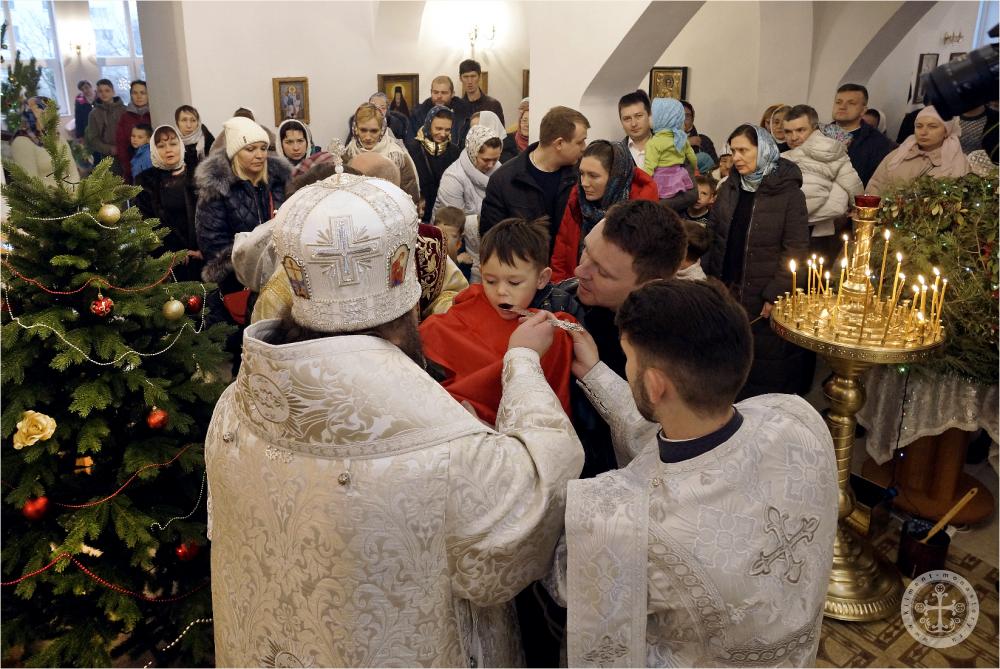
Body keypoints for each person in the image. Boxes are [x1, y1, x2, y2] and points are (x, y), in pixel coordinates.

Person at [205, 175, 584, 667]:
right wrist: (524, 363)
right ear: (406, 300)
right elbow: (539, 498)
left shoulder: (235, 405)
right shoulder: (442, 448)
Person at [549, 279, 837, 668]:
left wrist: (523, 368)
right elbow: (691, 445)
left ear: (654, 385)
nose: (627, 368)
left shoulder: (629, 522)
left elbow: (565, 580)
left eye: (628, 358)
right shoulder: (796, 418)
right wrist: (597, 373)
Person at [243, 152, 468, 323]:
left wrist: (432, 329)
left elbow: (452, 296)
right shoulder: (303, 259)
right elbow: (269, 329)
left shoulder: (423, 243)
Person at [420, 217, 580, 425]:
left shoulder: (553, 328)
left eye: (514, 282)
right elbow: (437, 331)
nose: (501, 291)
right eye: (490, 281)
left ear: (541, 279)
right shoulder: (472, 303)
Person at [703, 124, 809, 399]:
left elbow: (796, 249)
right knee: (727, 356)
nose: (736, 158)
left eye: (743, 150)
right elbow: (713, 233)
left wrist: (776, 293)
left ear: (763, 149)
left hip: (763, 291)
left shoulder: (788, 194)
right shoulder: (730, 187)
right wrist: (707, 279)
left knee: (763, 362)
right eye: (733, 151)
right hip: (726, 286)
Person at [195, 116, 291, 355]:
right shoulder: (217, 190)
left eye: (263, 148)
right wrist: (247, 264)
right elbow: (212, 241)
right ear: (236, 152)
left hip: (280, 278)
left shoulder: (279, 183)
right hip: (240, 281)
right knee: (248, 350)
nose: (260, 155)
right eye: (250, 149)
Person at [550, 139, 658, 282]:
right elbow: (562, 251)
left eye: (593, 176)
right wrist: (560, 289)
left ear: (615, 177)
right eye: (581, 173)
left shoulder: (641, 208)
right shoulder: (577, 198)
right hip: (575, 287)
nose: (584, 183)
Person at [480, 106, 589, 243]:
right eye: (580, 142)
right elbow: (492, 239)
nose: (584, 147)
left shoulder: (581, 175)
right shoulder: (504, 179)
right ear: (559, 143)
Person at [782, 104, 863, 259]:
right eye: (788, 132)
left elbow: (853, 185)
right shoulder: (785, 156)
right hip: (808, 227)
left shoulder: (832, 151)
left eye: (800, 130)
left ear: (814, 128)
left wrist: (857, 208)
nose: (793, 137)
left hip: (813, 231)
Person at [135, 125, 201, 281]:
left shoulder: (200, 173)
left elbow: (214, 215)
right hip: (171, 264)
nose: (168, 150)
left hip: (204, 258)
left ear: (181, 145)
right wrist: (168, 254)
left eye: (173, 144)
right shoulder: (146, 182)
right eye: (161, 146)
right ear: (154, 150)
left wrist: (206, 249)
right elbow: (146, 225)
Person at [866, 106, 970, 195]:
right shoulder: (898, 155)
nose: (923, 132)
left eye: (932, 127)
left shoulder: (958, 163)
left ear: (946, 131)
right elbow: (875, 186)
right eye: (919, 126)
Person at [338, 103, 421, 205]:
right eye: (363, 130)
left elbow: (410, 196)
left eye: (374, 131)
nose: (368, 137)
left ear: (382, 130)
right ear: (356, 129)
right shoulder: (347, 155)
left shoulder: (397, 156)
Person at [831, 83, 896, 187]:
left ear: (863, 110)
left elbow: (875, 183)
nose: (842, 107)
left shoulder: (878, 143)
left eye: (851, 103)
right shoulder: (818, 133)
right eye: (838, 102)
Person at [432, 124, 502, 218]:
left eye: (495, 159)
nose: (491, 165)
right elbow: (454, 220)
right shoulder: (453, 178)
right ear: (473, 154)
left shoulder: (500, 171)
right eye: (486, 160)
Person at [9, 96, 81, 187]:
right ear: (31, 116)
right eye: (46, 113)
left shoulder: (57, 137)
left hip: (70, 191)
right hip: (45, 195)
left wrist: (73, 188)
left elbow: (73, 170)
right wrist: (62, 193)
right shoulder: (21, 142)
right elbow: (30, 182)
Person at [406, 106, 461, 223]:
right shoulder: (412, 149)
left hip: (444, 212)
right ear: (428, 125)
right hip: (418, 211)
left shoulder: (454, 151)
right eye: (438, 128)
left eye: (447, 130)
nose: (443, 134)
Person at [644, 97, 698, 203]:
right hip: (679, 176)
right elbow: (692, 158)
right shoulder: (682, 139)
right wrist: (694, 167)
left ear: (662, 119)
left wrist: (642, 182)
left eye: (652, 115)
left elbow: (649, 167)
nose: (648, 118)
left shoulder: (654, 142)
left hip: (660, 180)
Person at [408, 75, 472, 145]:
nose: (439, 96)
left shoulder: (464, 113)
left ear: (452, 94)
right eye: (435, 92)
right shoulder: (418, 114)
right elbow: (412, 143)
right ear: (431, 92)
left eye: (444, 93)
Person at [115, 80, 150, 183]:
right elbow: (121, 143)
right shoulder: (125, 117)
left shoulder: (154, 113)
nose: (139, 96)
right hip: (131, 165)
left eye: (142, 93)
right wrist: (128, 166)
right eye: (135, 93)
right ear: (131, 95)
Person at [84, 78, 125, 167]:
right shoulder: (93, 114)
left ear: (113, 92)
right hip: (108, 156)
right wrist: (109, 149)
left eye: (107, 90)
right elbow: (93, 138)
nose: (104, 94)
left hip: (127, 153)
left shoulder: (124, 110)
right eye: (100, 91)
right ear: (97, 93)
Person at [459, 58, 505, 124]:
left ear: (479, 77)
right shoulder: (458, 108)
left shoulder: (493, 105)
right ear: (460, 78)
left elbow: (500, 130)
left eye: (473, 76)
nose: (470, 81)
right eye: (466, 77)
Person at [175, 105, 215, 173]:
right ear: (177, 123)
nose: (189, 125)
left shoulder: (208, 141)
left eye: (193, 120)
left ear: (198, 122)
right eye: (184, 120)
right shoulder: (172, 142)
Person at [617, 89, 653, 168]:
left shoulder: (668, 146)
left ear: (649, 115)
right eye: (627, 119)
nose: (633, 124)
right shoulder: (616, 154)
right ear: (621, 121)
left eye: (639, 116)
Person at [681, 99, 718, 163]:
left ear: (692, 119)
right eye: (678, 116)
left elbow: (715, 166)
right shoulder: (664, 139)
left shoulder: (704, 141)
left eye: (687, 116)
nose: (682, 120)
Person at [502, 97, 529, 163]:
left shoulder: (541, 144)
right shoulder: (507, 141)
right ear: (520, 121)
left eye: (531, 122)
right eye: (524, 120)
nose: (527, 125)